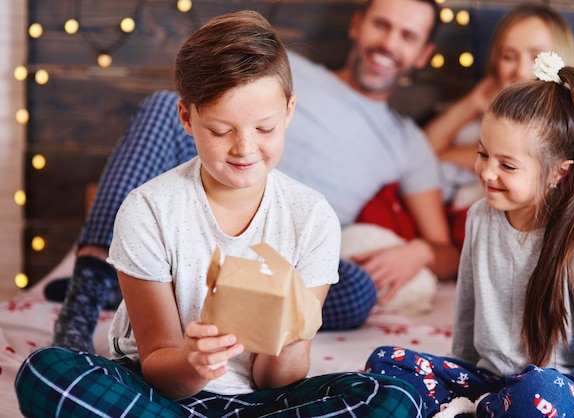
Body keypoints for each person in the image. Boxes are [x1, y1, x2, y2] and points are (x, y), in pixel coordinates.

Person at [15, 11, 426, 417]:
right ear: (187, 119)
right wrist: (194, 365)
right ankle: (89, 295)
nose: (244, 148)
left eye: (264, 129)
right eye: (220, 130)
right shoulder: (148, 210)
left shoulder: (313, 217)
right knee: (47, 372)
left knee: (393, 396)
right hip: (157, 392)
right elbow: (160, 368)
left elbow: (274, 381)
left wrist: (289, 341)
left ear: (288, 112)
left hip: (261, 403)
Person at [364, 52, 574, 417]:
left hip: (556, 391)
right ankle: (481, 408)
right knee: (387, 362)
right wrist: (459, 375)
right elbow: (467, 316)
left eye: (507, 165)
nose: (487, 173)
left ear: (558, 173)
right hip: (489, 380)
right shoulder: (479, 218)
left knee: (537, 390)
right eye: (483, 154)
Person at [424, 3, 574, 207]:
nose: (521, 71)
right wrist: (473, 103)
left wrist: (445, 154)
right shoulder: (488, 120)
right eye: (508, 57)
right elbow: (422, 151)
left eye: (536, 57)